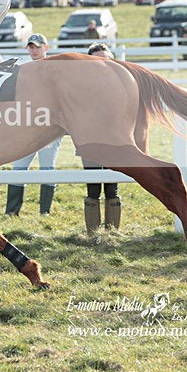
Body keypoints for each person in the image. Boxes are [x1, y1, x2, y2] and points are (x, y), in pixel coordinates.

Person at [5, 33, 63, 216]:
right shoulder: (22, 70)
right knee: (18, 167)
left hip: (49, 127)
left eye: (38, 46)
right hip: (26, 128)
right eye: (31, 47)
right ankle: (12, 212)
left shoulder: (55, 71)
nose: (34, 50)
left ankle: (44, 211)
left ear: (46, 48)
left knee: (47, 167)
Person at [81, 42, 121, 232]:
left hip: (116, 143)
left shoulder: (122, 84)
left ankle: (112, 231)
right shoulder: (82, 86)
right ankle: (93, 233)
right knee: (93, 188)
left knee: (112, 188)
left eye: (106, 59)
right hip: (91, 143)